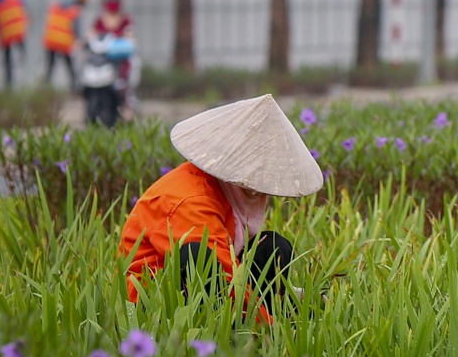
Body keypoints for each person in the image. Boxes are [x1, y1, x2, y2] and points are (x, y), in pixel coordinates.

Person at [120, 94, 323, 318]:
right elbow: (226, 276)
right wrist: (270, 329)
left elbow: (232, 263)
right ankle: (241, 326)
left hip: (207, 286)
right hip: (154, 303)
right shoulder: (192, 200)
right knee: (198, 256)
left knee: (272, 246)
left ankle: (265, 314)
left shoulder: (222, 188)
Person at [42, 0, 88, 89]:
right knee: (70, 66)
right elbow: (76, 28)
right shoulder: (74, 9)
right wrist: (79, 40)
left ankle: (45, 88)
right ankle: (75, 88)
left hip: (51, 39)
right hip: (63, 42)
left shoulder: (57, 4)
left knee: (50, 67)